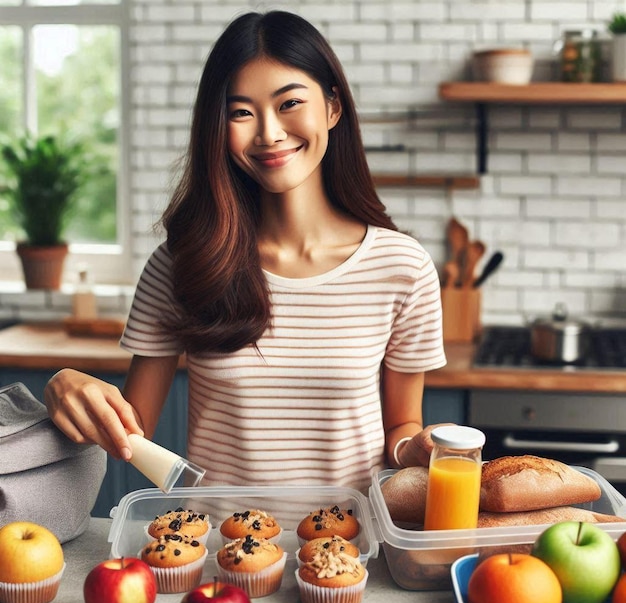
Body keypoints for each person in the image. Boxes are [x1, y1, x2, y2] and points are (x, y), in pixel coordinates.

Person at [44, 10, 447, 494]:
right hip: (217, 552)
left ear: (333, 108)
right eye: (241, 112)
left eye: (290, 103)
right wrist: (69, 384)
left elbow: (401, 428)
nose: (269, 133)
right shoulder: (181, 265)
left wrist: (418, 448)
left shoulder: (402, 268)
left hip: (346, 556)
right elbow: (133, 433)